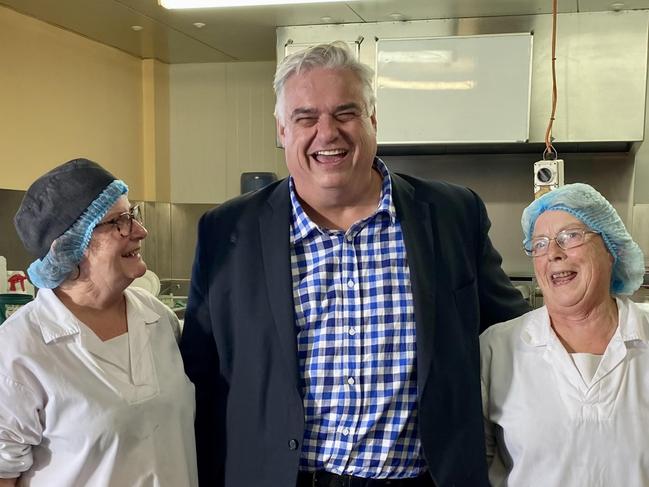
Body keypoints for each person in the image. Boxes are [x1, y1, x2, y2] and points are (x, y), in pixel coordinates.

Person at [180, 42, 529, 487]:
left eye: (345, 113)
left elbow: (514, 338)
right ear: (282, 130)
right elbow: (200, 379)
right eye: (306, 117)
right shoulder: (227, 231)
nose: (327, 133)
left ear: (372, 121)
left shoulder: (451, 214)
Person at [0, 158, 197, 486]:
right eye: (120, 222)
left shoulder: (158, 320)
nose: (140, 231)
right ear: (71, 245)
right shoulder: (19, 350)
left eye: (133, 215)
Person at [480, 183, 648, 486]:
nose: (553, 253)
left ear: (611, 250)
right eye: (540, 244)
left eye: (570, 236)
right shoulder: (497, 348)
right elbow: (479, 462)